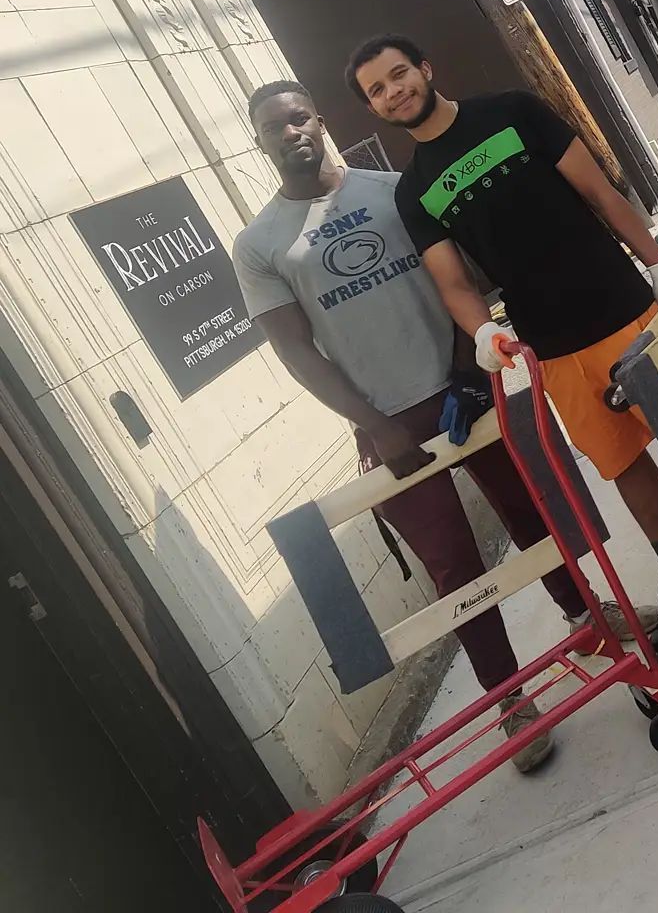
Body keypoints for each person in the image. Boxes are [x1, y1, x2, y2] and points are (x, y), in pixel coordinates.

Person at [343, 35, 658, 657]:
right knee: (623, 465)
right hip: (553, 348)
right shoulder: (414, 192)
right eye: (377, 90)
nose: (393, 92)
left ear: (426, 68)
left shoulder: (514, 112)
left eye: (398, 74)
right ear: (373, 107)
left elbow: (600, 193)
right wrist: (484, 330)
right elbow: (454, 284)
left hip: (625, 311)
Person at [233, 80, 635, 773]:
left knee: (532, 515)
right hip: (388, 424)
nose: (291, 131)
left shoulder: (393, 189)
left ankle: (589, 619)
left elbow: (459, 278)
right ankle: (510, 700)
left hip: (464, 389)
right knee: (455, 568)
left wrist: (465, 364)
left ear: (321, 120)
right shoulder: (260, 244)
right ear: (259, 141)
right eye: (275, 126)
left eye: (300, 116)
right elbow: (295, 350)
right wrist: (376, 426)